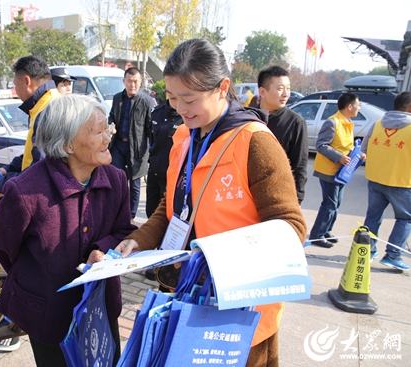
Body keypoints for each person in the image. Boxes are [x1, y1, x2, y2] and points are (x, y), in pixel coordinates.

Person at [115, 38, 306, 366]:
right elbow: (174, 206)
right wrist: (139, 239)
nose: (179, 108)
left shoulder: (255, 143)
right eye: (173, 98)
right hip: (190, 298)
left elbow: (291, 228)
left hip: (241, 313)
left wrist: (212, 256)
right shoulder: (185, 138)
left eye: (188, 98)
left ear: (222, 87)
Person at [0, 94, 137, 366]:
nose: (108, 138)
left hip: (101, 307)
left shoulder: (116, 180)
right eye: (98, 131)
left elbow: (123, 231)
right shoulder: (25, 191)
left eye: (109, 128)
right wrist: (36, 276)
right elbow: (3, 246)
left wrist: (99, 250)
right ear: (68, 145)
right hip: (47, 312)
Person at [0, 56, 61, 200]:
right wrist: (9, 168)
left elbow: (41, 170)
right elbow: (35, 153)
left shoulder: (47, 111)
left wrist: (4, 184)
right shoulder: (49, 102)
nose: (15, 90)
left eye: (15, 85)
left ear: (27, 81)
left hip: (45, 197)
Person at [362, 91, 411, 271]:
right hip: (402, 182)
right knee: (406, 219)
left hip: (375, 179)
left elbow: (364, 148)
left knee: (373, 216)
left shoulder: (377, 125)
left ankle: (367, 251)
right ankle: (393, 255)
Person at [309, 92, 365, 248]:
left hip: (341, 171)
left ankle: (326, 230)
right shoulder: (333, 122)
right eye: (358, 105)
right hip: (329, 171)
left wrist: (358, 154)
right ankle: (317, 235)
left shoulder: (347, 122)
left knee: (336, 203)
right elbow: (321, 145)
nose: (359, 108)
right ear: (349, 106)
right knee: (329, 203)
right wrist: (339, 157)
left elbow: (345, 145)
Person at [258, 66, 308, 204]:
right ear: (262, 91)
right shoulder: (247, 118)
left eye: (288, 88)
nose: (286, 94)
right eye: (280, 89)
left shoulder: (296, 122)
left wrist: (296, 201)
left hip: (278, 198)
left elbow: (300, 167)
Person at [108, 67, 154, 219]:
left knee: (135, 183)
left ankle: (131, 217)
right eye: (129, 81)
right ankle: (115, 213)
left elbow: (150, 128)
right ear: (124, 81)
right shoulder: (117, 98)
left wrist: (151, 151)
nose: (132, 85)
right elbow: (112, 116)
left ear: (140, 82)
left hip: (137, 148)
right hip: (118, 145)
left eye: (135, 82)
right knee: (116, 179)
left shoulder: (146, 101)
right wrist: (111, 124)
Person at [146, 98, 183, 218]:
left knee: (166, 215)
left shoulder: (185, 117)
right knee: (150, 210)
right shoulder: (156, 113)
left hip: (171, 175)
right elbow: (151, 139)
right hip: (154, 172)